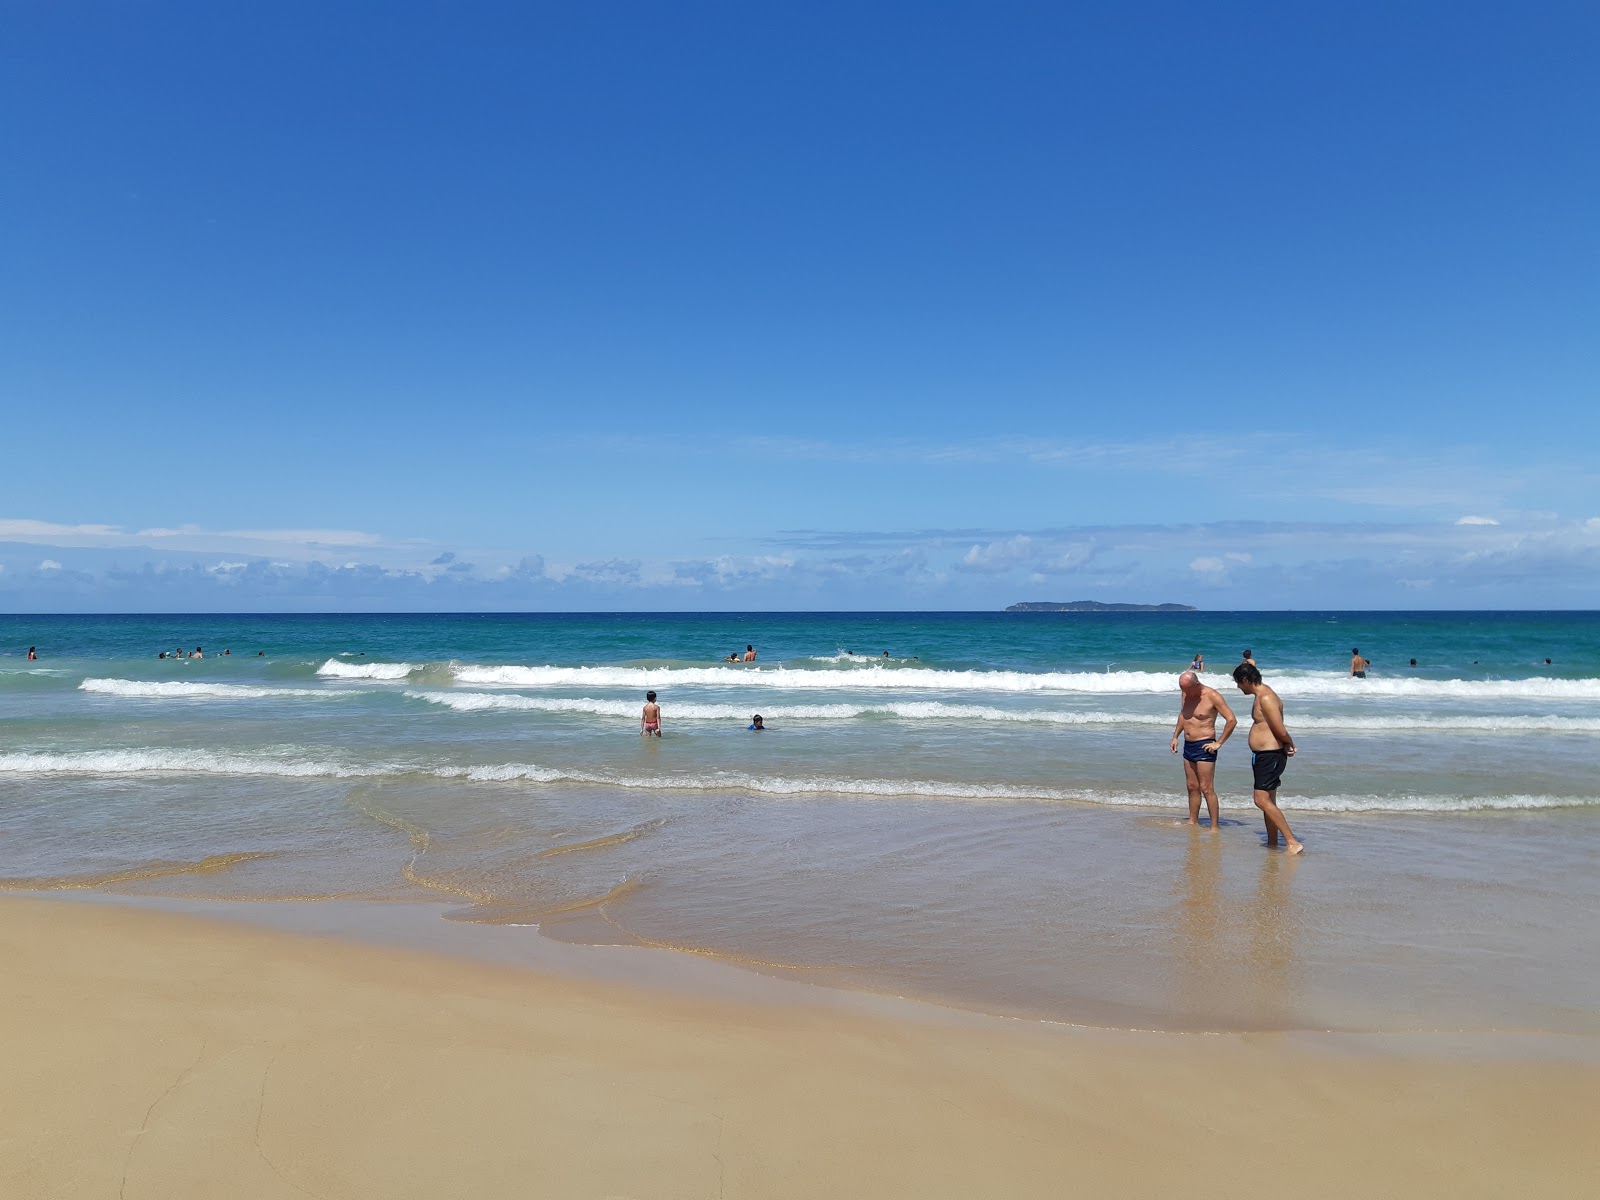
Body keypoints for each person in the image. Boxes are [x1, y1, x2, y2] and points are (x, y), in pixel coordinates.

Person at [1232, 662, 1302, 854]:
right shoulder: (1261, 696)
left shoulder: (1266, 697)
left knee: (1260, 800)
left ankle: (1292, 841)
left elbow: (1279, 727)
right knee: (1268, 800)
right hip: (1264, 755)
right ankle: (1273, 842)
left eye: (1239, 683)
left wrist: (1289, 742)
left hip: (1270, 756)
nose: (1238, 687)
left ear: (1246, 680)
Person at [1170, 671, 1237, 826]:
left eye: (1187, 689)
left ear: (1197, 684)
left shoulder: (1212, 696)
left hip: (1205, 745)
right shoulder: (1186, 693)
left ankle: (1214, 826)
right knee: (1192, 786)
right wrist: (1175, 736)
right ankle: (1193, 821)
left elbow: (1231, 720)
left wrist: (1218, 742)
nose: (1185, 693)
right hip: (1188, 745)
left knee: (1206, 788)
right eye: (1183, 689)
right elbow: (1184, 715)